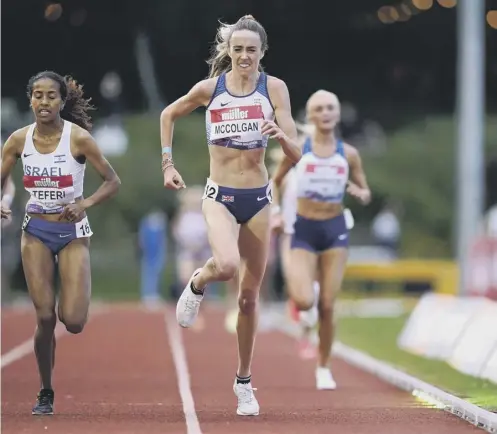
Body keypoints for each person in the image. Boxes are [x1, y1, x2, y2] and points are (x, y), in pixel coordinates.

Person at [160, 15, 301, 416]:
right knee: (225, 265)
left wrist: (281, 136)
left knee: (248, 298)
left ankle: (243, 382)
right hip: (219, 195)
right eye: (237, 49)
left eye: (251, 50)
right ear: (229, 51)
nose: (243, 56)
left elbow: (297, 154)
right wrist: (167, 165)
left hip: (258, 198)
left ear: (262, 53)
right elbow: (168, 114)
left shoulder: (274, 89)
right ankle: (198, 280)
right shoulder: (211, 89)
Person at [0, 71, 121, 415]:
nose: (43, 102)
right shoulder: (17, 141)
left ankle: (74, 303)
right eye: (37, 95)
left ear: (62, 101)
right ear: (30, 100)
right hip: (35, 231)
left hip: (72, 234)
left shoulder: (79, 139)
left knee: (73, 321)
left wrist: (84, 203)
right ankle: (45, 390)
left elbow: (113, 181)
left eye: (51, 96)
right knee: (44, 317)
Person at [272, 90, 371, 390]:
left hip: (335, 229)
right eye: (320, 108)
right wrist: (276, 212)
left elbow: (365, 191)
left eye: (331, 107)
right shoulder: (298, 149)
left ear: (338, 113)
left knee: (328, 304)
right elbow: (275, 181)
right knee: (303, 299)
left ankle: (324, 366)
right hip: (303, 227)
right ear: (311, 116)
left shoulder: (349, 153)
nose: (326, 112)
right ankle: (306, 310)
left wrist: (360, 193)